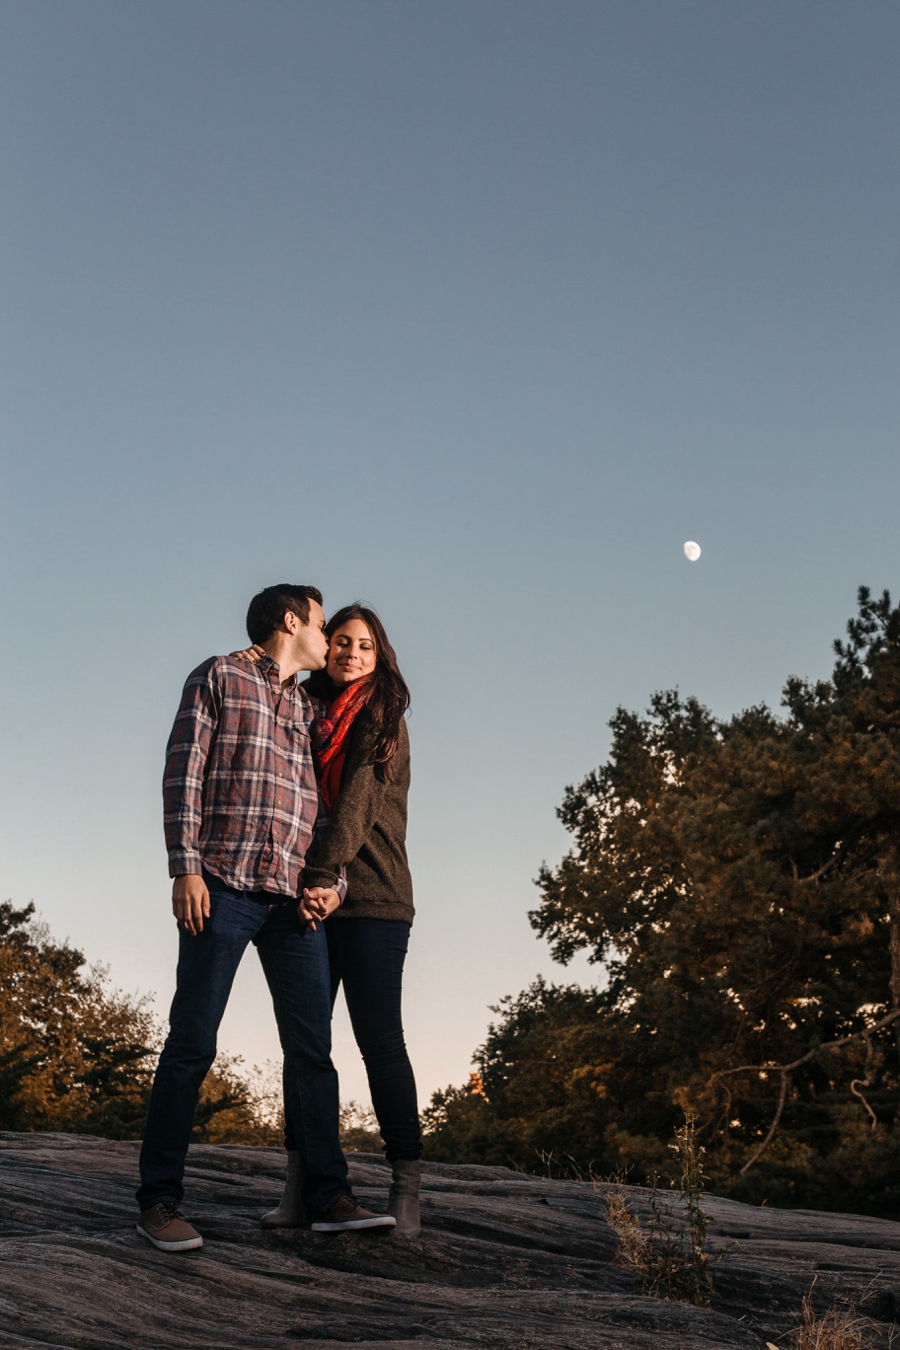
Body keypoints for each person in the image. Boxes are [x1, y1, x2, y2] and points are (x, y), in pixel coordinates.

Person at [135, 585, 396, 1252]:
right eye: (320, 623)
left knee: (312, 1051)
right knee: (192, 1041)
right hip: (219, 888)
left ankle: (328, 1196)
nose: (329, 638)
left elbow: (328, 806)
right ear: (291, 622)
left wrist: (333, 882)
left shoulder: (311, 708)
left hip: (292, 906)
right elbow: (182, 774)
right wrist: (184, 867)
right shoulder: (220, 676)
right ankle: (160, 1201)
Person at [246, 603, 423, 1238]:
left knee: (379, 1041)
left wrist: (322, 878)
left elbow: (353, 810)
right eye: (341, 641)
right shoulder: (305, 714)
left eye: (365, 646)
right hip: (310, 900)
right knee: (306, 1046)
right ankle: (303, 1181)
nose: (350, 652)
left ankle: (406, 1186)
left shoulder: (384, 722)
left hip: (371, 900)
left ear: (381, 658)